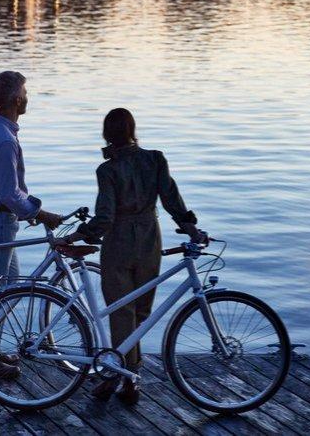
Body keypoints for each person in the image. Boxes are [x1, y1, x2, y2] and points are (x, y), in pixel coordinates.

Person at [57, 108, 206, 405]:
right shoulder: (155, 159)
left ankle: (119, 375)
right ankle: (129, 377)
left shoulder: (107, 170)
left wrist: (75, 236)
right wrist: (191, 228)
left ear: (106, 135)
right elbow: (171, 199)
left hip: (119, 243)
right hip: (150, 238)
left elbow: (105, 217)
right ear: (133, 130)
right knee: (140, 311)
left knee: (121, 311)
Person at [0, 71, 61, 380]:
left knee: (8, 286)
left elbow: (7, 191)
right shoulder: (4, 140)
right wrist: (40, 212)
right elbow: (9, 193)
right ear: (17, 100)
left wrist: (27, 211)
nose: (27, 96)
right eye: (25, 92)